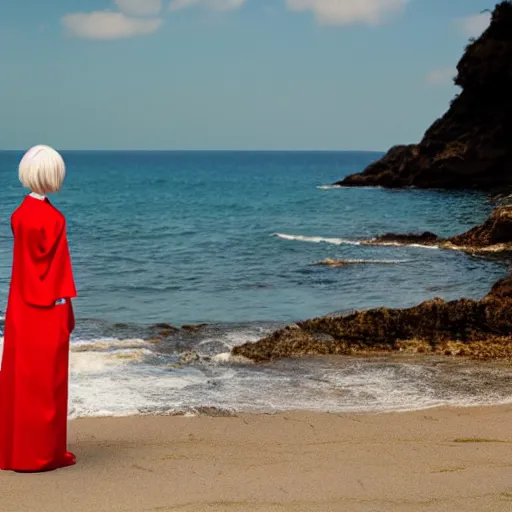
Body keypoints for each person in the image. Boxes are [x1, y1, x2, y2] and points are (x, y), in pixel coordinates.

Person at [0, 145, 77, 472]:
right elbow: (56, 271)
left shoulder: (18, 216)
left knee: (20, 379)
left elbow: (27, 266)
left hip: (20, 306)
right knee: (49, 382)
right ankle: (45, 454)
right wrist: (66, 310)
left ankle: (13, 452)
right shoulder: (54, 219)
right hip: (49, 308)